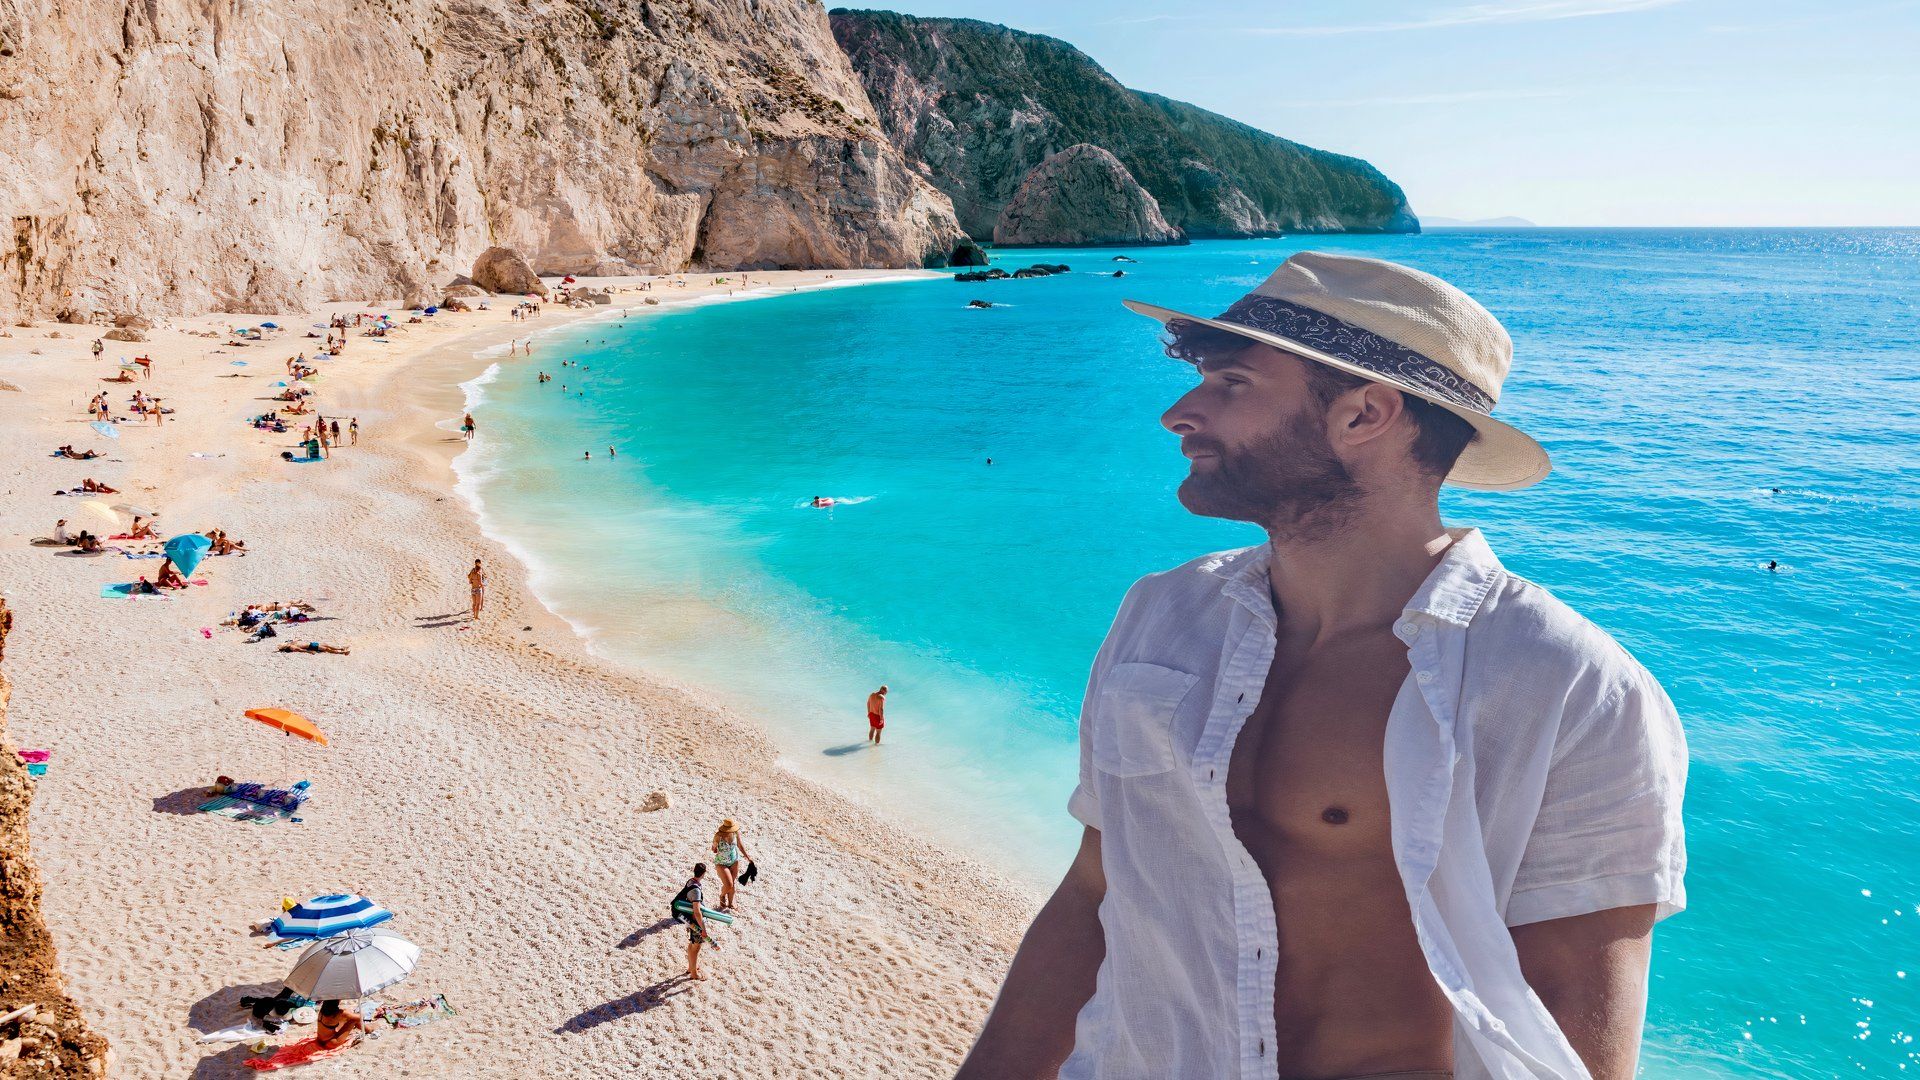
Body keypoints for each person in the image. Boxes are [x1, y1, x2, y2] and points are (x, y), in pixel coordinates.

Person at [958, 252, 1687, 1080]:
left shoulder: (1566, 685)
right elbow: (1095, 892)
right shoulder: (1158, 618)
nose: (1178, 413)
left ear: (1364, 414)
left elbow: (1571, 1020)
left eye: (1230, 384)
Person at [674, 863, 715, 980]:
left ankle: (691, 967)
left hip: (688, 918)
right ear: (704, 873)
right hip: (695, 920)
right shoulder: (696, 890)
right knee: (696, 947)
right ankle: (694, 974)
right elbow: (697, 911)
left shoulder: (690, 881)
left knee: (692, 944)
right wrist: (703, 929)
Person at [711, 820, 753, 912]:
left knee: (732, 883)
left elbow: (740, 845)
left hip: (734, 861)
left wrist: (747, 857)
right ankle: (722, 896)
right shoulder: (718, 836)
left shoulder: (735, 833)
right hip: (721, 863)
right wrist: (715, 849)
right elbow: (713, 848)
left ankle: (731, 903)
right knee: (729, 884)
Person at [278, 641, 350, 655]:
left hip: (312, 643)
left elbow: (296, 641)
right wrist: (309, 652)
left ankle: (341, 648)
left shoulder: (291, 643)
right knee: (327, 649)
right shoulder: (291, 647)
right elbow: (300, 650)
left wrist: (297, 639)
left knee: (327, 645)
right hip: (311, 646)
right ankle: (342, 652)